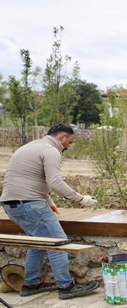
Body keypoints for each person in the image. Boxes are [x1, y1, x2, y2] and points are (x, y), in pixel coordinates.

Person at [0, 125, 99, 299]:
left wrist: (49, 202)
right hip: (30, 204)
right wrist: (81, 199)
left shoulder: (30, 147)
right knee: (58, 244)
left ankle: (31, 284)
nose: (68, 146)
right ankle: (66, 287)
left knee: (38, 243)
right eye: (69, 141)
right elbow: (55, 182)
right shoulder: (51, 151)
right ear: (61, 137)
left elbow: (29, 178)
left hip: (11, 205)